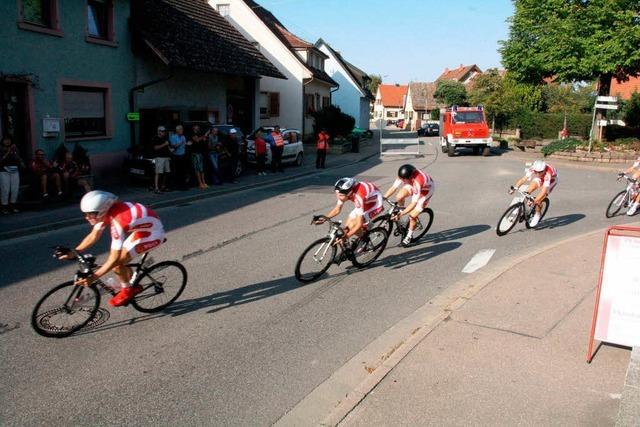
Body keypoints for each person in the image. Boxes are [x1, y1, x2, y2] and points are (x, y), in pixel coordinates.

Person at [55, 191, 165, 307]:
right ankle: (130, 281)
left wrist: (94, 277)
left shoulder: (118, 222)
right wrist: (74, 252)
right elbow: (94, 235)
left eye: (90, 214)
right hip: (141, 230)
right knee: (120, 263)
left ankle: (128, 289)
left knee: (117, 264)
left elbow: (113, 259)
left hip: (154, 235)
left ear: (102, 210)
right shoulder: (106, 212)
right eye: (86, 214)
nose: (87, 217)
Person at [315, 177, 383, 244]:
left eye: (341, 195)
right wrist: (325, 219)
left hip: (375, 204)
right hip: (366, 200)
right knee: (347, 226)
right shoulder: (343, 192)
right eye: (337, 194)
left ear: (349, 193)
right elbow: (337, 209)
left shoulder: (358, 198)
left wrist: (346, 236)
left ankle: (366, 240)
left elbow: (358, 224)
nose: (338, 197)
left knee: (353, 225)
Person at [383, 164, 435, 246]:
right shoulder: (403, 175)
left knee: (412, 215)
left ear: (410, 177)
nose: (402, 181)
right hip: (411, 184)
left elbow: (413, 203)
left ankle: (409, 236)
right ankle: (401, 211)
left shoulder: (418, 182)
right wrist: (383, 197)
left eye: (404, 180)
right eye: (401, 179)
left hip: (426, 191)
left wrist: (402, 214)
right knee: (399, 197)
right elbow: (394, 187)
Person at [510, 159, 558, 227]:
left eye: (540, 172)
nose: (538, 174)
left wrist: (535, 200)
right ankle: (520, 208)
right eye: (536, 172)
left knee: (538, 200)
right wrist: (515, 188)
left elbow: (543, 191)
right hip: (541, 179)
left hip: (551, 181)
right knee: (527, 191)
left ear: (544, 169)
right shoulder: (533, 168)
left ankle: (538, 214)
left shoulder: (548, 173)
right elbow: (524, 179)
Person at [0, 136, 25, 214]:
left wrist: (21, 162)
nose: (7, 142)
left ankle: (13, 205)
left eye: (9, 140)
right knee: (5, 189)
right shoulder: (1, 149)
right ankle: (4, 207)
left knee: (15, 189)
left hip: (15, 170)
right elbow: (1, 160)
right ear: (2, 141)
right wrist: (8, 151)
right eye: (5, 140)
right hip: (4, 171)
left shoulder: (15, 149)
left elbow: (18, 158)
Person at [151, 126, 172, 193]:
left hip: (166, 157)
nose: (164, 132)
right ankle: (156, 188)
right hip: (159, 157)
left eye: (164, 131)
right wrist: (164, 144)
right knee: (158, 172)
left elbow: (168, 147)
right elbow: (156, 148)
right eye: (162, 131)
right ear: (159, 131)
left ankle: (163, 186)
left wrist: (170, 151)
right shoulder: (155, 138)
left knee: (166, 172)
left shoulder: (165, 138)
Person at [170, 125, 188, 190]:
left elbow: (185, 144)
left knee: (183, 171)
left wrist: (187, 144)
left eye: (182, 129)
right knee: (177, 172)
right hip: (176, 156)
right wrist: (181, 143)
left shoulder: (183, 136)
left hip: (183, 155)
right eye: (181, 129)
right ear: (177, 130)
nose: (182, 130)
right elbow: (174, 146)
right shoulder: (173, 137)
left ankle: (184, 185)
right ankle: (178, 186)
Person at [190, 125, 208, 189]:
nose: (198, 129)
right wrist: (204, 136)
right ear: (193, 128)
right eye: (196, 128)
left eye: (198, 128)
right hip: (195, 154)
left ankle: (204, 182)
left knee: (201, 168)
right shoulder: (192, 134)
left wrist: (204, 138)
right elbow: (197, 140)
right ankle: (200, 183)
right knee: (197, 169)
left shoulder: (200, 134)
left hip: (200, 153)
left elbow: (203, 141)